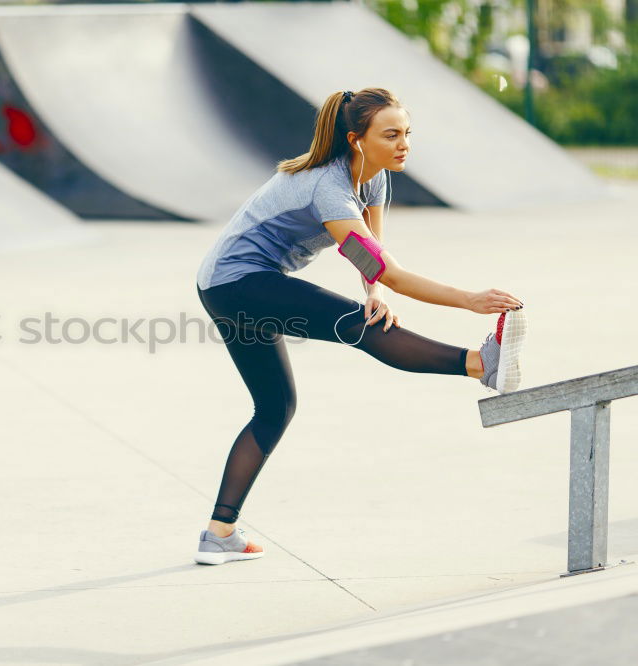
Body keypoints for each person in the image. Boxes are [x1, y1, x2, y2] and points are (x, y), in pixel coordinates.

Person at [193, 88, 527, 565]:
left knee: (275, 406)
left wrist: (376, 294)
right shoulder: (326, 186)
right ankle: (481, 364)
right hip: (239, 283)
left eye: (407, 133)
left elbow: (373, 260)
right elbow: (388, 268)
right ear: (356, 140)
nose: (403, 144)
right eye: (390, 135)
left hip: (220, 286)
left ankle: (218, 533)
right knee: (360, 329)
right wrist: (469, 300)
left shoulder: (373, 179)